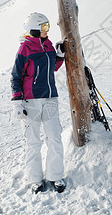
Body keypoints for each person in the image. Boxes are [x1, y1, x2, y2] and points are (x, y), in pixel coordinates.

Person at [11, 12, 66, 194]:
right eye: (43, 27)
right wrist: (17, 102)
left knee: (55, 138)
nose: (47, 30)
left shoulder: (49, 45)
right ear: (34, 30)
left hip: (50, 98)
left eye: (48, 26)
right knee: (33, 141)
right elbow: (16, 76)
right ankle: (35, 179)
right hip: (31, 101)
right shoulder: (25, 49)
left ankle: (55, 176)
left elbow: (52, 68)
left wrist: (59, 56)